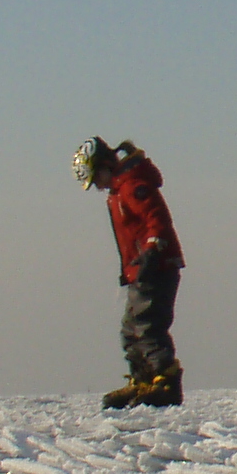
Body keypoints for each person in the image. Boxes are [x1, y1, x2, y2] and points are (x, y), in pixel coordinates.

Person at [74, 137, 184, 408]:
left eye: (96, 179)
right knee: (130, 329)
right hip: (139, 271)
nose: (98, 187)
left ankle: (165, 381)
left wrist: (152, 248)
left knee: (148, 326)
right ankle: (142, 379)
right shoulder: (118, 191)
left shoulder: (132, 185)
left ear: (105, 166)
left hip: (156, 266)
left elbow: (155, 217)